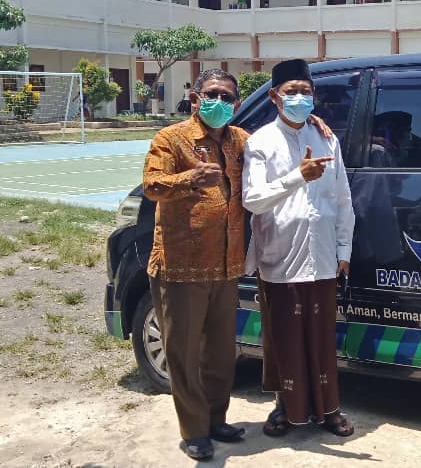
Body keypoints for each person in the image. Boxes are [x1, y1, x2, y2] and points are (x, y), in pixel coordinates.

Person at [242, 59, 356, 439]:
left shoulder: (327, 139)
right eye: (291, 91)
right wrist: (297, 177)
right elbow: (253, 199)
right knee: (284, 339)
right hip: (280, 257)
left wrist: (344, 249)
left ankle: (329, 410)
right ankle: (284, 408)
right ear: (274, 96)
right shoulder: (260, 142)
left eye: (305, 91)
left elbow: (342, 198)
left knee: (321, 339)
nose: (299, 98)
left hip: (322, 256)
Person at [141, 69, 249, 461]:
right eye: (212, 94)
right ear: (196, 98)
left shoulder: (240, 140)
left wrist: (315, 123)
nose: (220, 102)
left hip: (227, 264)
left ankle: (216, 419)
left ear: (237, 103)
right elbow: (151, 185)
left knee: (220, 353)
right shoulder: (171, 139)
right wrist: (190, 179)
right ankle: (194, 431)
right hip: (181, 266)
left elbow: (276, 148)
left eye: (227, 97)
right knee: (184, 354)